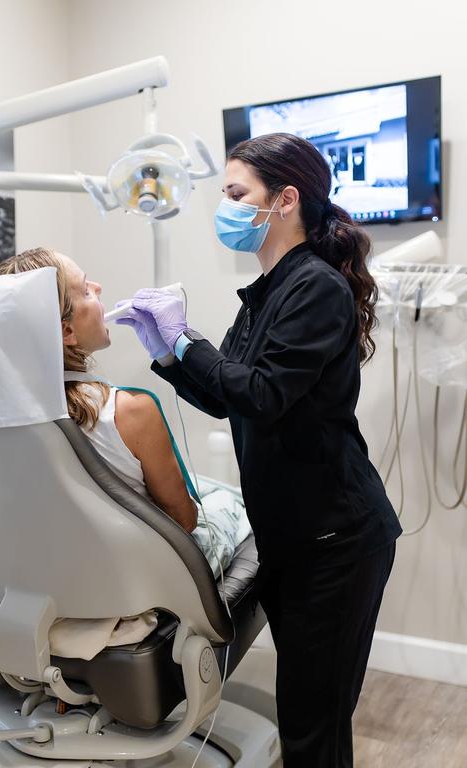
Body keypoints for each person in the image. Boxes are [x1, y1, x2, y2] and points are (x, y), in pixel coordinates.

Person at [118, 132, 402, 768]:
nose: (225, 205)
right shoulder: (268, 288)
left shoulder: (317, 288)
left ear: (285, 199)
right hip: (291, 536)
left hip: (336, 540)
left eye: (235, 192)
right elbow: (230, 398)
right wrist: (169, 352)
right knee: (304, 712)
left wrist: (186, 343)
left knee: (313, 723)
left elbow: (267, 392)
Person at [0, 248, 250, 577]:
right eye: (85, 290)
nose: (97, 288)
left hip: (42, 574)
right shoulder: (130, 410)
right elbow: (183, 520)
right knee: (234, 505)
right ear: (66, 332)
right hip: (129, 580)